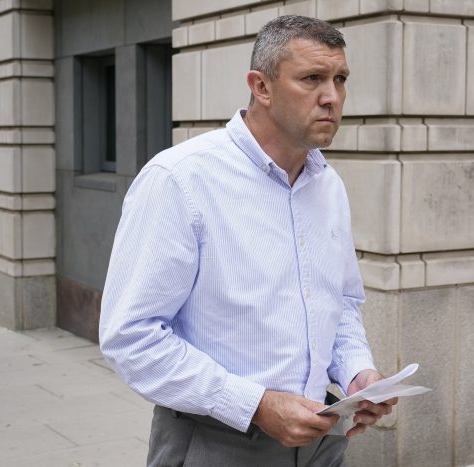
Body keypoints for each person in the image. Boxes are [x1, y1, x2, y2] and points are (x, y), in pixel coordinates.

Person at [99, 15, 397, 466]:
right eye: (312, 79)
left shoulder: (327, 185)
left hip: (322, 437)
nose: (332, 97)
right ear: (261, 86)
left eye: (340, 79)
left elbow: (339, 304)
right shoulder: (180, 179)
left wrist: (357, 372)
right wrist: (254, 405)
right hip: (217, 441)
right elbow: (130, 338)